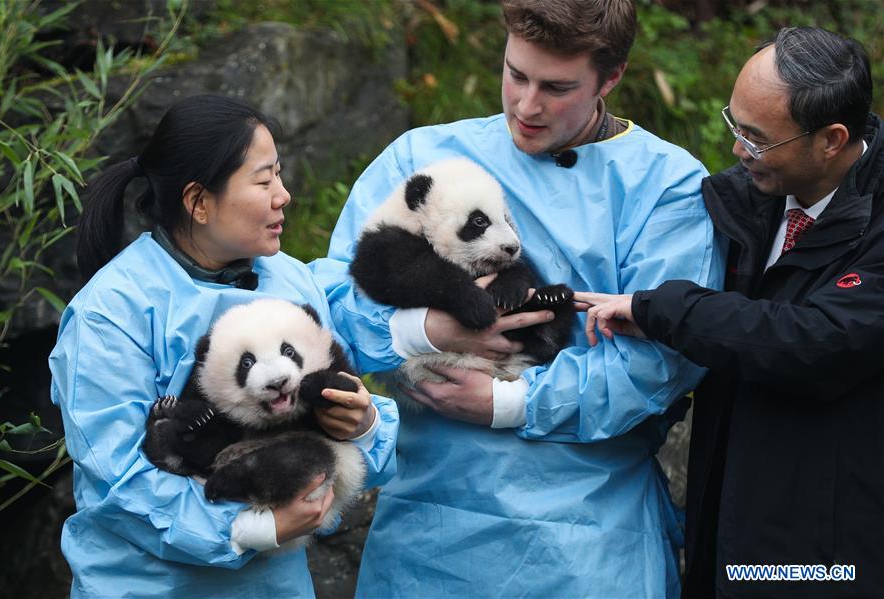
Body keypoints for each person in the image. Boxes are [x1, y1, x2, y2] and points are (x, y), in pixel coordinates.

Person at [310, 1, 724, 596]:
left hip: (586, 542)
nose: (527, 106)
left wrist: (510, 402)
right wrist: (427, 329)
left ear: (612, 78)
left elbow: (660, 360)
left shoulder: (666, 190)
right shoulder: (423, 160)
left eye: (557, 87)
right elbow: (332, 311)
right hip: (430, 532)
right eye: (516, 74)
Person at [49, 94, 399, 598]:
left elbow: (351, 424)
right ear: (199, 202)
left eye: (280, 174)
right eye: (264, 180)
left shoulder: (290, 280)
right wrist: (251, 529)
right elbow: (119, 482)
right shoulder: (109, 315)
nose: (284, 196)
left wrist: (363, 425)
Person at [580, 27, 882, 598]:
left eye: (757, 138)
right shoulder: (748, 202)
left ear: (832, 140)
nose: (738, 150)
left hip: (827, 562)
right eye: (734, 123)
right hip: (729, 528)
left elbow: (813, 340)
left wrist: (662, 308)